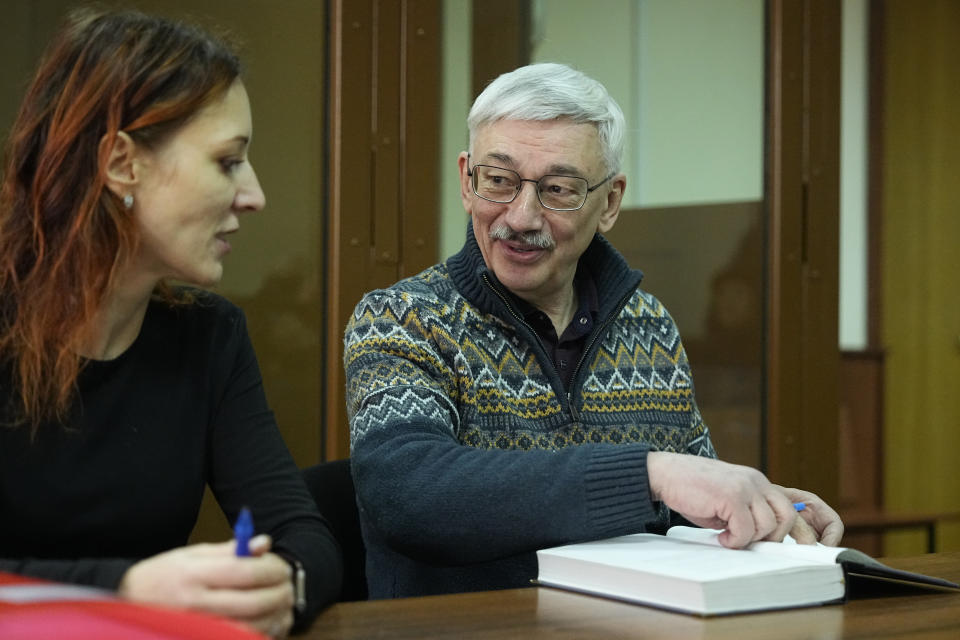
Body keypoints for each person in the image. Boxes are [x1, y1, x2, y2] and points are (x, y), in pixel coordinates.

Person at [344, 62, 844, 599]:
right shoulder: (402, 318)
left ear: (609, 203)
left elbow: (687, 495)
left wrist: (762, 507)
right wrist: (648, 474)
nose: (521, 216)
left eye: (558, 189)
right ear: (467, 180)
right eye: (498, 181)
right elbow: (408, 493)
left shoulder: (649, 327)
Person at [0, 9, 341, 636]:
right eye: (227, 161)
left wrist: (277, 586)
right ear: (121, 164)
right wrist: (126, 590)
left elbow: (303, 538)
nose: (254, 195)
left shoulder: (210, 338)